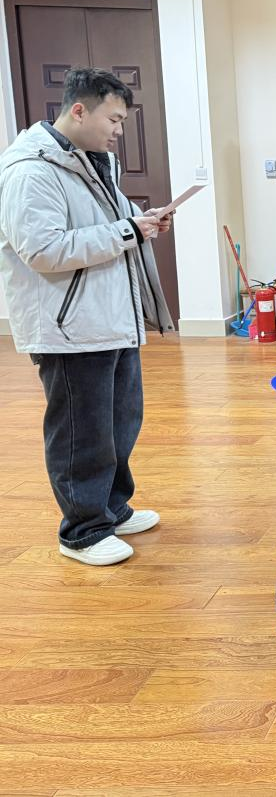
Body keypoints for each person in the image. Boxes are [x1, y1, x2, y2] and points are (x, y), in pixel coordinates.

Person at [0, 67, 175, 566]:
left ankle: (111, 509)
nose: (119, 131)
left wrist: (142, 222)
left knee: (120, 424)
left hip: (109, 317)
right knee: (82, 432)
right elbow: (43, 250)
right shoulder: (31, 172)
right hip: (68, 328)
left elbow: (107, 225)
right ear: (79, 110)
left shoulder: (92, 163)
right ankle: (82, 530)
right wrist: (128, 232)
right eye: (113, 119)